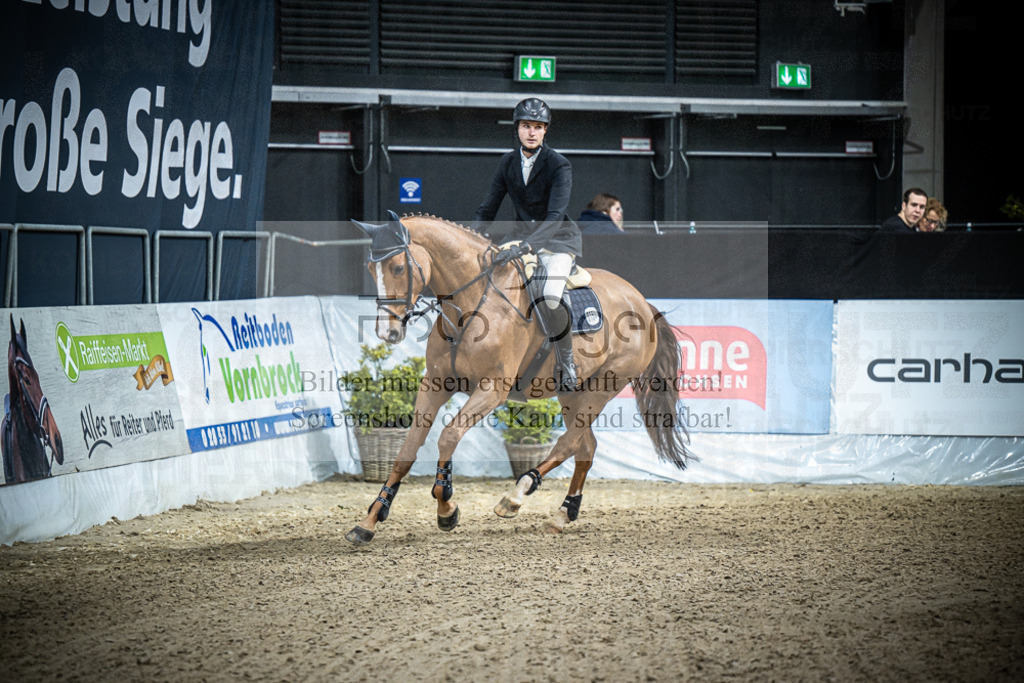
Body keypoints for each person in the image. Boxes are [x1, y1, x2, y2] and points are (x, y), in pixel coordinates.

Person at [472, 97, 582, 392]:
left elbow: (555, 216)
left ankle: (566, 361)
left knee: (550, 296)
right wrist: (470, 237)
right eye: (526, 126)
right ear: (517, 128)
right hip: (521, 238)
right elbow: (487, 209)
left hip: (557, 241)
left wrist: (527, 247)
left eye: (537, 126)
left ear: (545, 130)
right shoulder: (507, 162)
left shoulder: (558, 164)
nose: (531, 132)